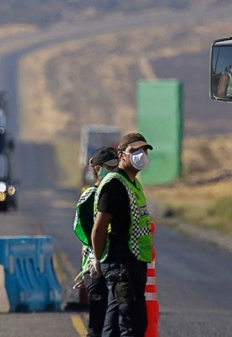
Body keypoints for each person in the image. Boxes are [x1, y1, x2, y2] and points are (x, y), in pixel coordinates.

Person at [91, 132, 154, 337]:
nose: (141, 155)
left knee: (122, 323)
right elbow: (100, 228)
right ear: (121, 155)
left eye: (144, 151)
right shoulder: (115, 185)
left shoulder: (133, 184)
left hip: (134, 263)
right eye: (135, 150)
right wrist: (97, 259)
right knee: (129, 324)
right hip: (121, 264)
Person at [73, 146, 119, 337]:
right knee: (97, 325)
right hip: (95, 265)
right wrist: (95, 256)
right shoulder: (92, 194)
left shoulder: (117, 191)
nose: (113, 171)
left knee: (111, 323)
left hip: (111, 264)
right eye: (109, 166)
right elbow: (86, 230)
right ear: (97, 168)